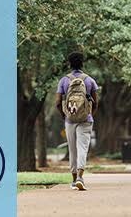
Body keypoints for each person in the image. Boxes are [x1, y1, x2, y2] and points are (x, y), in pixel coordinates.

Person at [56, 52, 98, 190]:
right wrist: (90, 115)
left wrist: (65, 116)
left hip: (69, 120)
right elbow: (96, 101)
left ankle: (74, 180)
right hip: (86, 119)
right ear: (82, 63)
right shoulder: (89, 80)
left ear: (69, 64)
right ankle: (81, 176)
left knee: (72, 149)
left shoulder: (64, 81)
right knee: (82, 149)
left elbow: (57, 102)